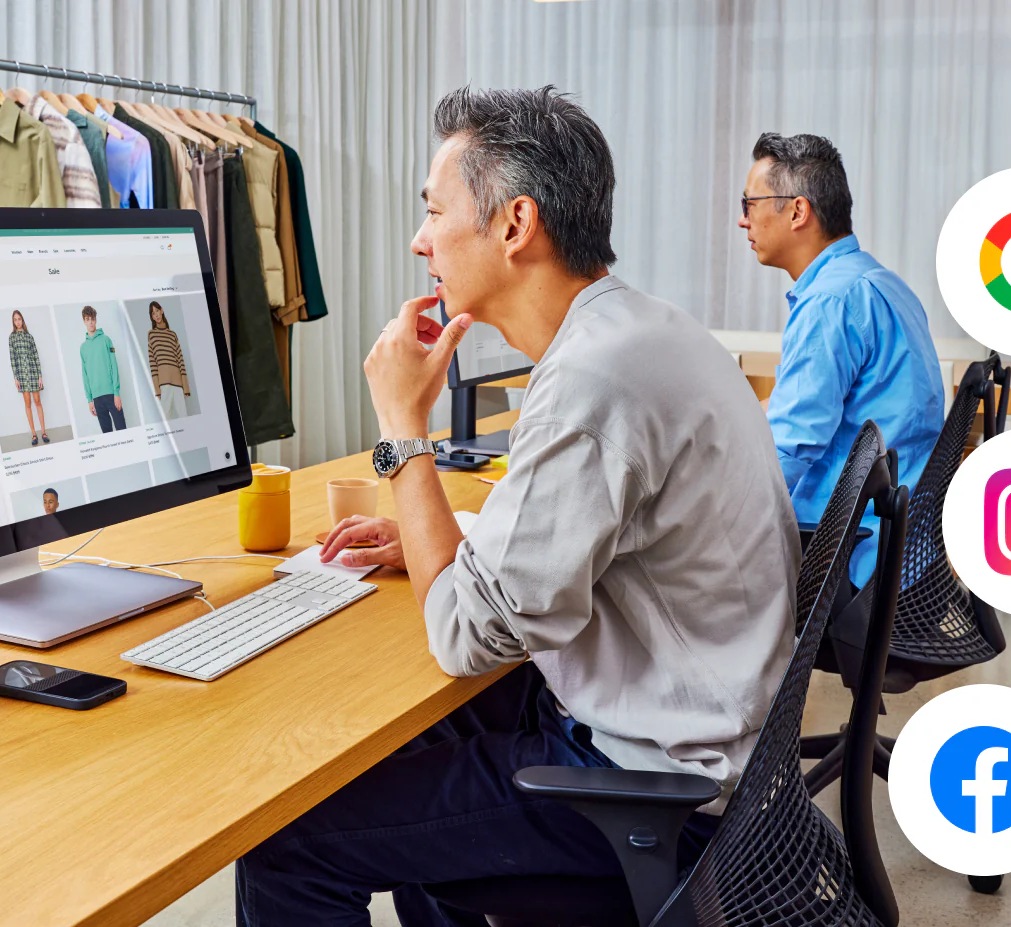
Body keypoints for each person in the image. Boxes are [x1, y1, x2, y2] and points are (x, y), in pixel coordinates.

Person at [236, 86, 799, 927]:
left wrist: (403, 431)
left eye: (434, 212)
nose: (421, 241)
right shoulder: (638, 331)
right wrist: (437, 533)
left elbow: (465, 637)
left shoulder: (590, 381)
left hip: (661, 793)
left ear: (514, 224)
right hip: (709, 737)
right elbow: (573, 539)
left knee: (287, 840)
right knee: (407, 750)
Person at [738, 132, 944, 587]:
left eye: (749, 203)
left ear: (797, 211)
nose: (742, 220)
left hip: (850, 555)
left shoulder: (830, 302)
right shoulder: (882, 284)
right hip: (905, 549)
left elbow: (792, 445)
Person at [79, 306, 127, 433]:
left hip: (111, 394)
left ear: (95, 320)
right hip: (97, 398)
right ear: (84, 321)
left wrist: (116, 393)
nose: (90, 322)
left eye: (92, 319)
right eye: (87, 319)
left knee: (123, 431)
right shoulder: (83, 348)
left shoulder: (106, 340)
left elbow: (114, 366)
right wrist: (89, 400)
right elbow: (85, 374)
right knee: (107, 436)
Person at [8, 310, 48, 447]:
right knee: (28, 403)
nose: (18, 321)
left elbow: (36, 356)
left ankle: (43, 432)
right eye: (15, 319)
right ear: (13, 322)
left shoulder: (29, 337)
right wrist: (15, 377)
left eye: (19, 319)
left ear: (22, 320)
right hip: (22, 375)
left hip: (32, 372)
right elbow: (13, 358)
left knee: (37, 401)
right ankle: (34, 434)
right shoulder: (12, 338)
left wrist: (40, 375)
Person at [146, 301, 191, 419]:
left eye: (157, 311)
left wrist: (185, 386)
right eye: (153, 313)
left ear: (162, 311)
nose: (156, 314)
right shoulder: (151, 335)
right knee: (166, 420)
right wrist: (157, 389)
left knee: (184, 417)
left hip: (178, 383)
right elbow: (153, 364)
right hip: (164, 384)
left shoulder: (173, 335)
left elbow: (180, 360)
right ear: (151, 317)